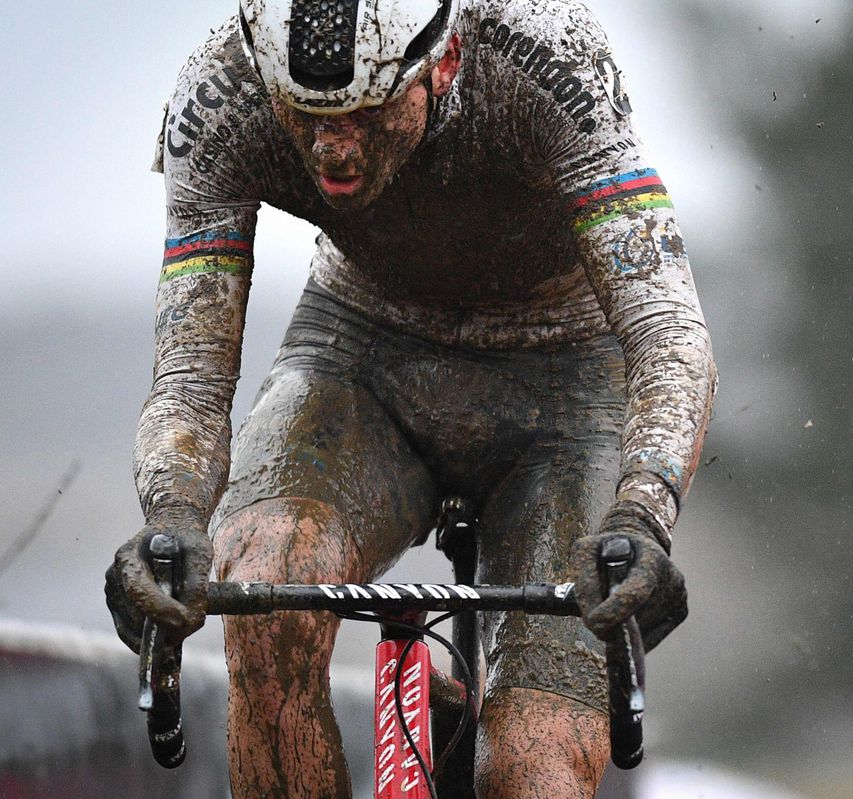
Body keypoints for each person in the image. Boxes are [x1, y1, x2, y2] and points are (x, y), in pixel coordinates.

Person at [104, 0, 716, 796]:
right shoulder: (221, 92)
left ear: (446, 62)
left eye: (365, 111)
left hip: (569, 383)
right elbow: (189, 374)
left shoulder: (544, 57)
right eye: (308, 113)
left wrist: (642, 516)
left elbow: (669, 329)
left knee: (534, 762)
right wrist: (175, 516)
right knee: (261, 580)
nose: (333, 146)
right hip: (363, 354)